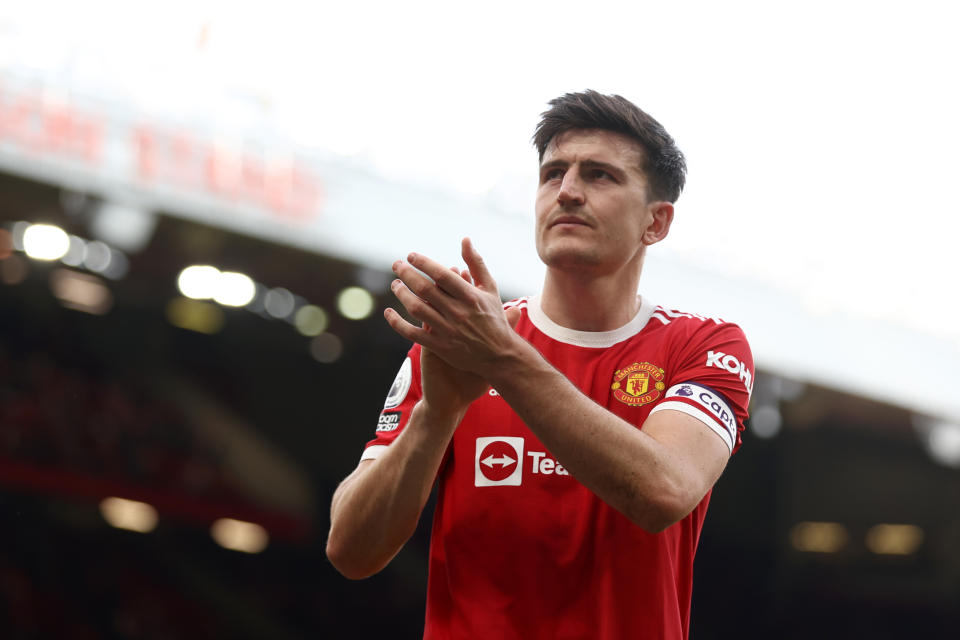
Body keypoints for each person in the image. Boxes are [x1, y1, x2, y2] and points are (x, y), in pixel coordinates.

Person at [326, 90, 754, 639]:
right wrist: (437, 413)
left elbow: (663, 491)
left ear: (657, 222)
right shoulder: (458, 344)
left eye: (600, 176)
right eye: (553, 174)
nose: (568, 192)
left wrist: (504, 360)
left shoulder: (703, 345)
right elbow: (350, 551)